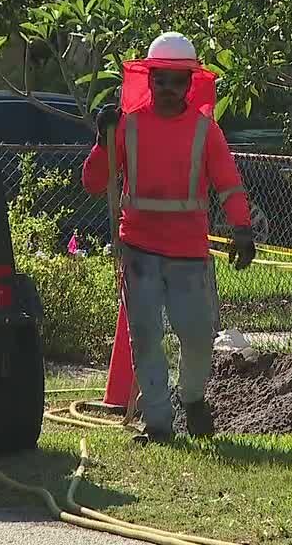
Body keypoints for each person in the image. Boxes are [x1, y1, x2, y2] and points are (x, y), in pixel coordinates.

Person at [82, 32, 256, 444]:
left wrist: (242, 228)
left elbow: (229, 184)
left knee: (196, 335)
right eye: (161, 79)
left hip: (189, 252)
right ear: (150, 79)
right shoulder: (127, 126)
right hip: (139, 247)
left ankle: (192, 398)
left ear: (190, 84)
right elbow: (93, 183)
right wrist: (101, 140)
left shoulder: (205, 131)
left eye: (177, 80)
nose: (167, 88)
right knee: (144, 335)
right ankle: (158, 424)